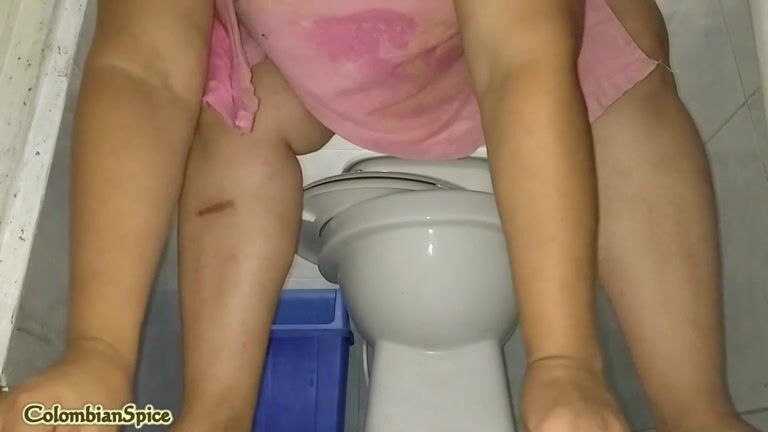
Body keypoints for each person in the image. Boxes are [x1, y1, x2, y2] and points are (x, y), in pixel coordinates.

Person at [0, 0, 758, 431]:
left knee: (625, 94)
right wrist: (98, 350)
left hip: (529, 56)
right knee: (233, 118)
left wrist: (566, 362)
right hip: (316, 66)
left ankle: (699, 412)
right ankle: (216, 415)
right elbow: (144, 69)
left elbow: (520, 62)